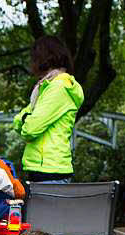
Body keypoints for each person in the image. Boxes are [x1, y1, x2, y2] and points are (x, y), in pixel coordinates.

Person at [13, 35, 84, 183]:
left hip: (50, 170)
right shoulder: (45, 87)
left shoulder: (59, 87)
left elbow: (30, 129)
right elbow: (17, 122)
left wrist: (27, 118)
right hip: (43, 168)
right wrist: (27, 118)